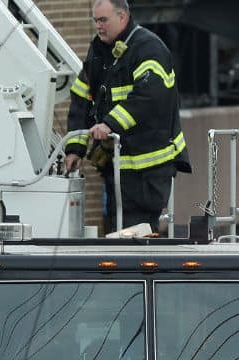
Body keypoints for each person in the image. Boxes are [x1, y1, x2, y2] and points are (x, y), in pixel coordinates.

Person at [64, 0, 190, 233]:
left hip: (149, 166)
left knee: (137, 233)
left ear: (122, 17)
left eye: (103, 20)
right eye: (95, 21)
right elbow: (82, 99)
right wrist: (74, 148)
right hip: (118, 167)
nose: (98, 26)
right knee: (118, 231)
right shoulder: (99, 52)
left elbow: (149, 96)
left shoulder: (149, 48)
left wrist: (109, 124)